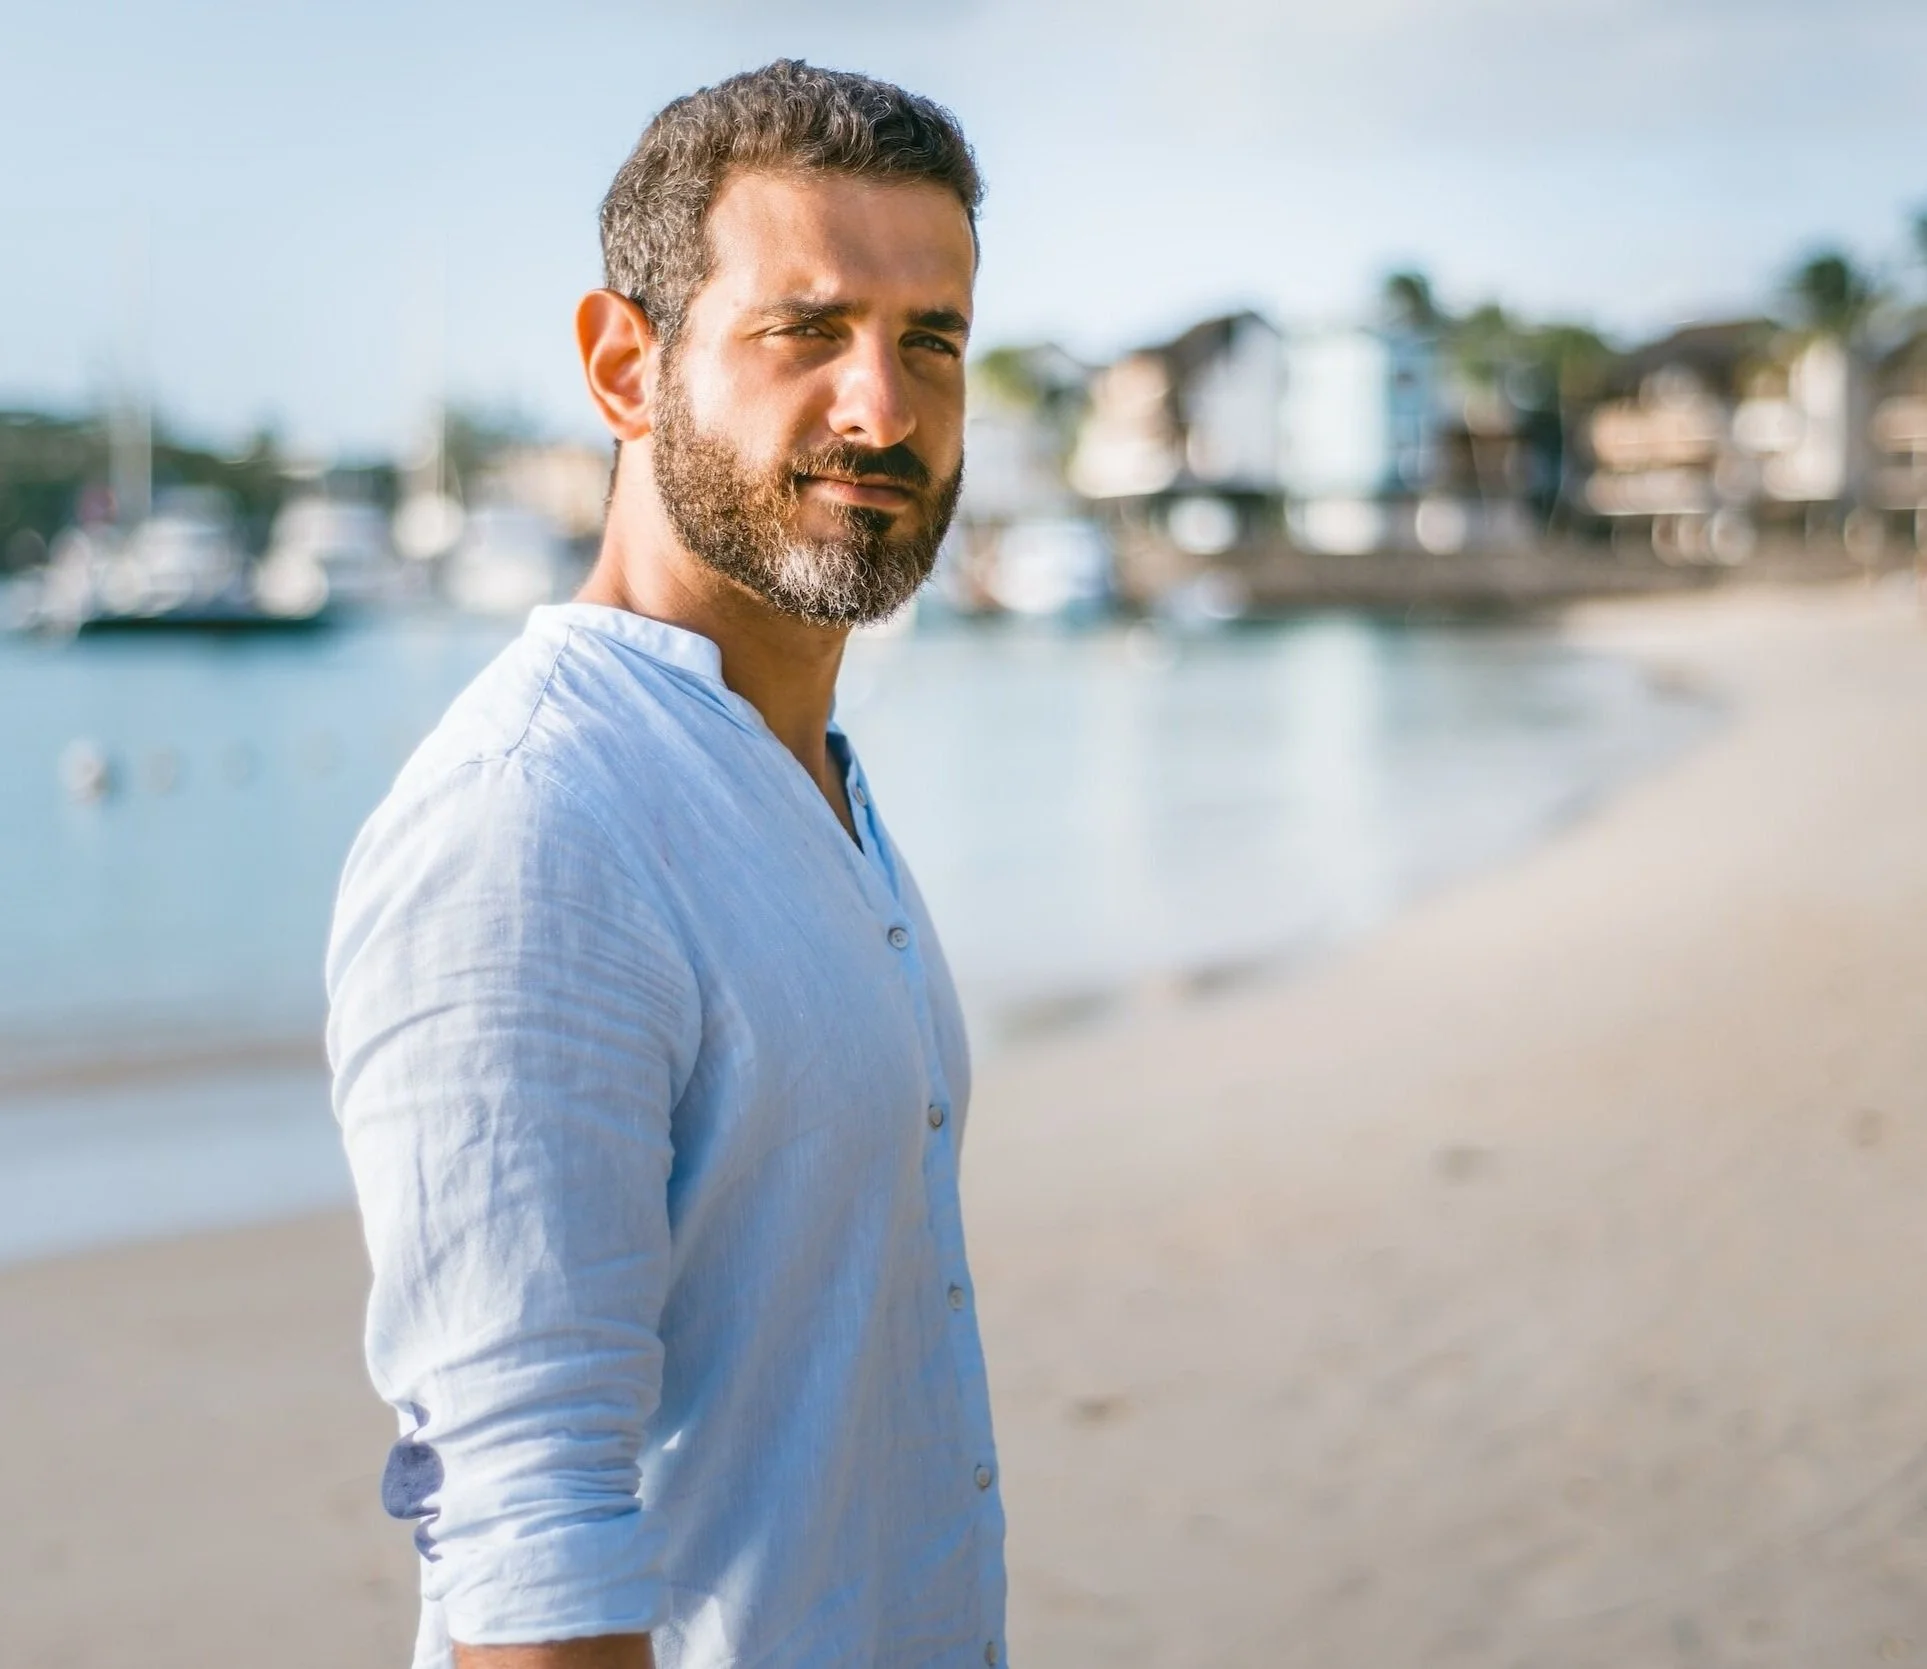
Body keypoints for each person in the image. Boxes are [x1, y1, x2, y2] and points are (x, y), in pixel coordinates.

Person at [327, 61, 1006, 1669]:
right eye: (806, 330)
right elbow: (521, 1537)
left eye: (933, 341)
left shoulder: (800, 773)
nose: (883, 409)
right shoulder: (535, 824)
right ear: (626, 366)